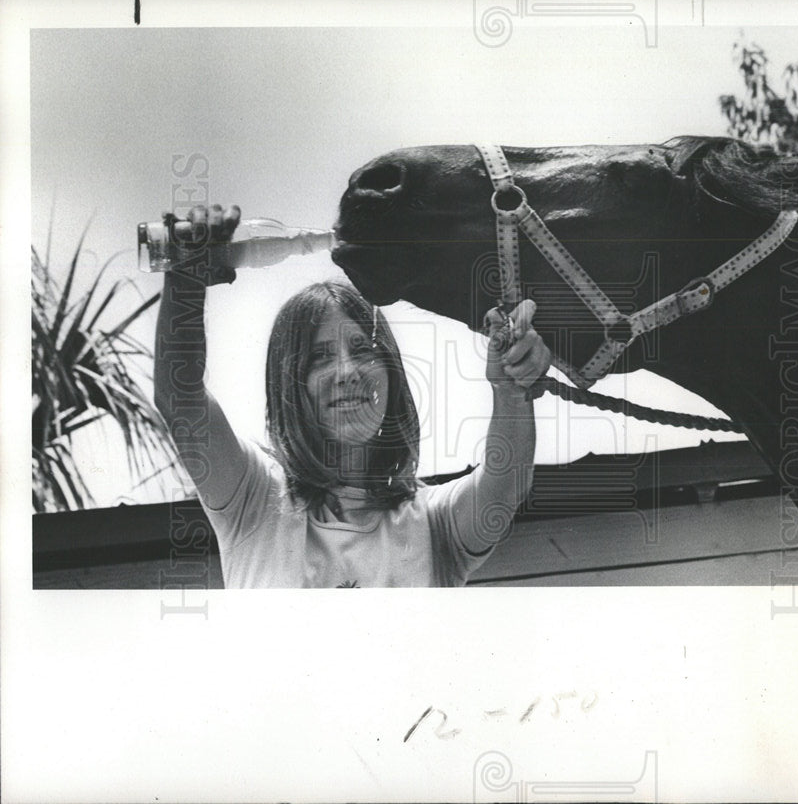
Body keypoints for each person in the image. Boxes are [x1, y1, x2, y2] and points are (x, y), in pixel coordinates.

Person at [153, 204, 551, 588]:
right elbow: (180, 397)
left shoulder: (433, 522)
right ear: (289, 388)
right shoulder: (252, 500)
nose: (347, 371)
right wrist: (186, 279)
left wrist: (510, 386)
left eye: (362, 350)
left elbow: (506, 482)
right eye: (320, 358)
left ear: (392, 376)